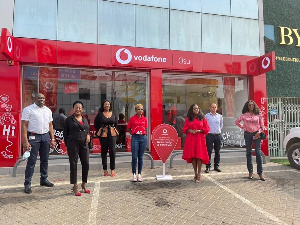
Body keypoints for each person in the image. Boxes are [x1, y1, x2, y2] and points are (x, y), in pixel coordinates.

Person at [21, 93, 56, 194]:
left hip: (45, 137)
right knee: (31, 161)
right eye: (39, 98)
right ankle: (27, 183)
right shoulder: (28, 110)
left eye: (43, 98)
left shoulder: (48, 110)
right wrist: (25, 141)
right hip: (33, 137)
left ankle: (43, 179)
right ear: (35, 98)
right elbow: (24, 126)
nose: (41, 99)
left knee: (45, 160)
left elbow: (50, 125)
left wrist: (52, 139)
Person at [64, 101, 91, 196]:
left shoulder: (85, 119)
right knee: (73, 164)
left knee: (86, 163)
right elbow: (65, 134)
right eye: (76, 107)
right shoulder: (69, 120)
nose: (78, 109)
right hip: (73, 144)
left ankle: (84, 184)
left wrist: (88, 135)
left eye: (80, 108)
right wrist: (69, 144)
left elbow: (87, 129)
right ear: (73, 109)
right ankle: (75, 185)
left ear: (82, 109)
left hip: (84, 144)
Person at [235, 100, 266, 181]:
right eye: (249, 105)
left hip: (257, 135)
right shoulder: (244, 115)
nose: (251, 106)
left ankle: (260, 173)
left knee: (258, 152)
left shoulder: (258, 115)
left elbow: (262, 126)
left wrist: (258, 133)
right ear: (247, 106)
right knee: (248, 152)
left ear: (254, 106)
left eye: (252, 105)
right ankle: (250, 172)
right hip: (248, 135)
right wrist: (244, 128)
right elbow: (237, 122)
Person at [182, 104, 210, 183]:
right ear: (192, 110)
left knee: (199, 156)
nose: (196, 110)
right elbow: (184, 129)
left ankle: (199, 174)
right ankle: (195, 173)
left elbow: (207, 128)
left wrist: (199, 130)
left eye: (197, 108)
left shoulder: (203, 118)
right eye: (194, 109)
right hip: (191, 139)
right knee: (193, 156)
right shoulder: (188, 119)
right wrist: (190, 130)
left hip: (200, 139)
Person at [94, 100, 118, 177]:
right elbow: (96, 124)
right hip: (103, 134)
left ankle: (112, 169)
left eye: (108, 104)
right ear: (103, 106)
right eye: (105, 104)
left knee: (112, 151)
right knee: (104, 151)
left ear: (110, 105)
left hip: (112, 133)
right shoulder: (100, 115)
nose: (107, 105)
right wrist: (100, 130)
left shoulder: (113, 114)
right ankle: (105, 169)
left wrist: (113, 129)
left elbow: (116, 124)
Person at [127, 104, 148, 182]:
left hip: (143, 137)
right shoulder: (132, 119)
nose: (140, 111)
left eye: (142, 109)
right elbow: (128, 128)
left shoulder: (145, 119)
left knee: (141, 157)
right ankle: (134, 174)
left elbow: (145, 128)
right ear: (136, 110)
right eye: (139, 109)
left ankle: (139, 174)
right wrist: (134, 132)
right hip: (135, 137)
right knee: (134, 156)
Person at [205, 103, 223, 173]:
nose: (214, 108)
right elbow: (205, 125)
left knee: (217, 151)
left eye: (215, 107)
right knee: (208, 151)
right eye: (212, 107)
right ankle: (208, 166)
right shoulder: (206, 116)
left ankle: (216, 166)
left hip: (218, 135)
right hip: (209, 135)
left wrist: (217, 131)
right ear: (210, 108)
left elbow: (221, 125)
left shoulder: (220, 116)